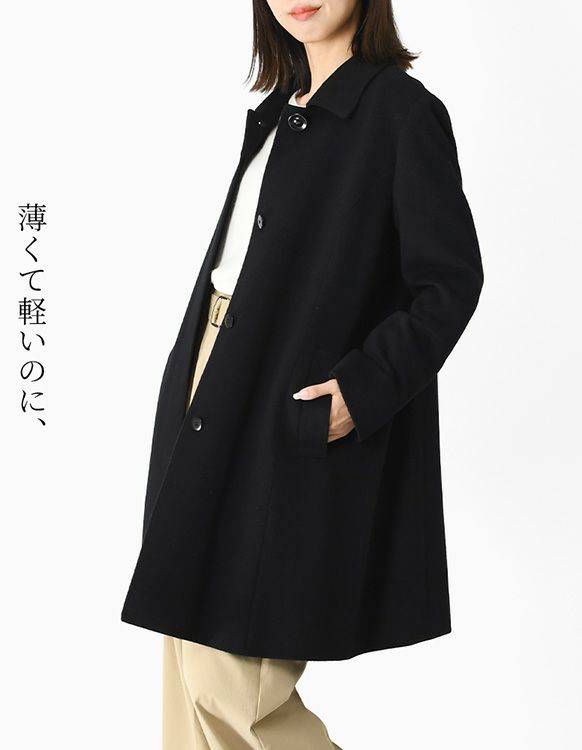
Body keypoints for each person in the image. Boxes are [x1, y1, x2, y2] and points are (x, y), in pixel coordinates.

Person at [121, 1, 485, 748]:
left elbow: (448, 282)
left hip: (285, 397)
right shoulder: (280, 111)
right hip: (212, 378)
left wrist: (362, 389)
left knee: (232, 688)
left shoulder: (399, 112)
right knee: (187, 676)